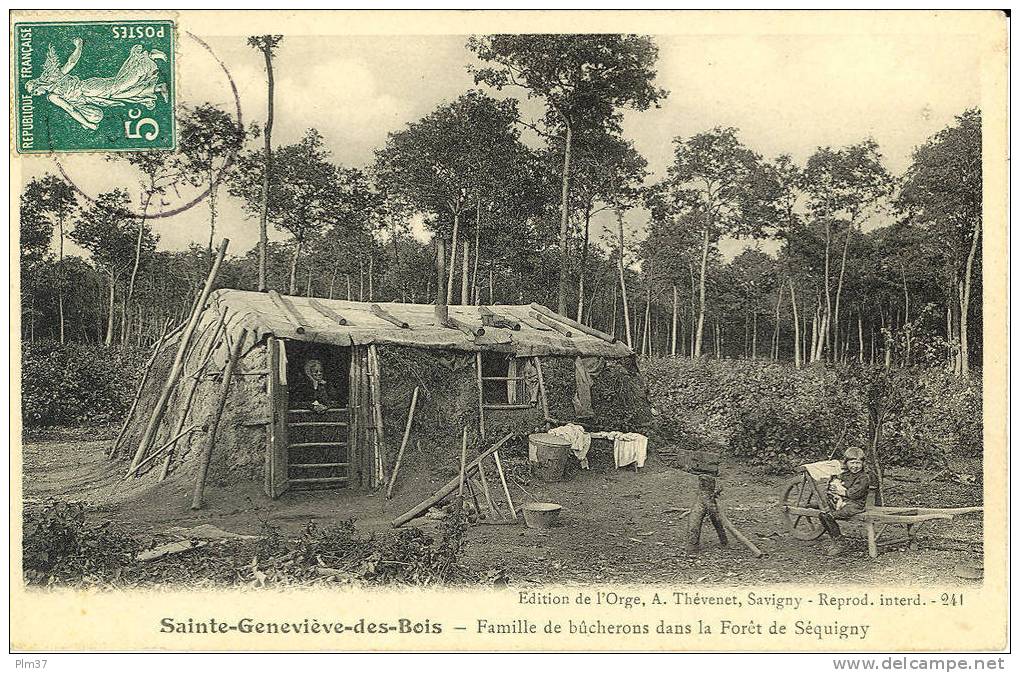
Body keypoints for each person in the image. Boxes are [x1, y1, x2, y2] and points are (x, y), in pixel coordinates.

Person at [25, 39, 168, 131]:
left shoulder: (53, 91)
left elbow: (70, 108)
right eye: (34, 94)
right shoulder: (53, 89)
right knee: (121, 95)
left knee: (119, 86)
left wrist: (89, 125)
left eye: (34, 91)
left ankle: (148, 57)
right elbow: (74, 107)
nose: (36, 94)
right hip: (90, 97)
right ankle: (158, 88)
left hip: (88, 88)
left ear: (38, 85)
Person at [819, 446, 872, 556]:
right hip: (841, 501)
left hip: (855, 505)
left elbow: (853, 494)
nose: (855, 466)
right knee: (823, 514)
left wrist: (839, 491)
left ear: (862, 464)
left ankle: (840, 543)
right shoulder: (844, 475)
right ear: (846, 463)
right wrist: (833, 487)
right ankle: (836, 538)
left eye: (858, 463)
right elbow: (836, 485)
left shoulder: (864, 477)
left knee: (830, 515)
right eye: (852, 463)